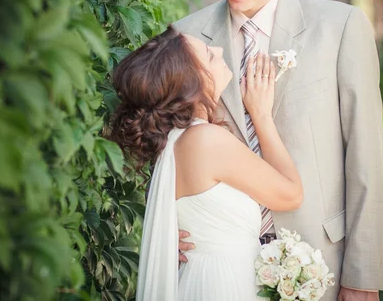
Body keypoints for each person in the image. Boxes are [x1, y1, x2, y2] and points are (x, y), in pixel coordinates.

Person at [173, 0, 383, 300]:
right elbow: (166, 151)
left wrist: (363, 275)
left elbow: (367, 159)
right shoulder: (185, 39)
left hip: (321, 260)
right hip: (218, 268)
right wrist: (167, 228)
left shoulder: (340, 28)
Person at [109, 26, 304, 300]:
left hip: (200, 278)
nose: (220, 50)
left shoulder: (175, 142)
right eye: (210, 56)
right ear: (192, 82)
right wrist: (261, 115)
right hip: (225, 283)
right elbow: (291, 195)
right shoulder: (206, 140)